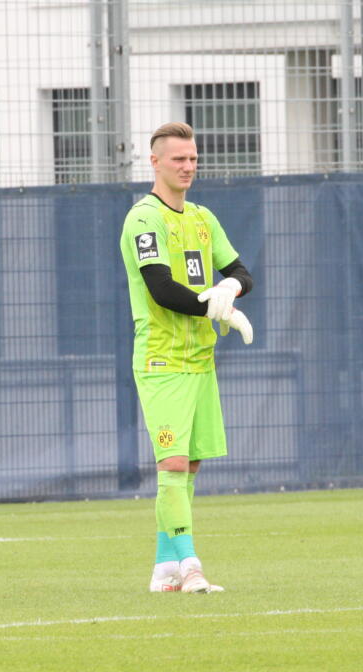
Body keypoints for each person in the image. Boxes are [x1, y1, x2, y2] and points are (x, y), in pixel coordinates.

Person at [119, 121, 255, 594]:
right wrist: (211, 303)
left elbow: (239, 269)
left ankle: (163, 570)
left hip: (201, 361)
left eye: (193, 158)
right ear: (154, 161)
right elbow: (160, 288)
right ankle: (191, 565)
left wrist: (230, 287)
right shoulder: (143, 218)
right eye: (178, 159)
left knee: (190, 467)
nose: (188, 166)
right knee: (172, 465)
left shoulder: (202, 217)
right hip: (161, 361)